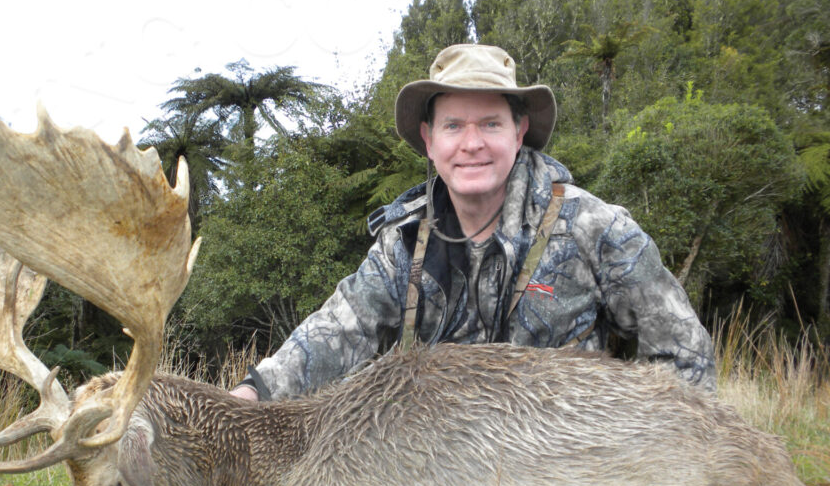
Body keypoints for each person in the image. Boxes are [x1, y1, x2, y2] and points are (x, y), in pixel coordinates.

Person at [231, 44, 716, 401]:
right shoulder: (403, 242)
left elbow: (684, 352)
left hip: (571, 471)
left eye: (490, 124)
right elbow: (340, 329)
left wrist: (651, 463)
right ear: (428, 139)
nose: (471, 144)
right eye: (453, 126)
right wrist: (254, 393)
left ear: (520, 130)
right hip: (445, 471)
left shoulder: (597, 228)